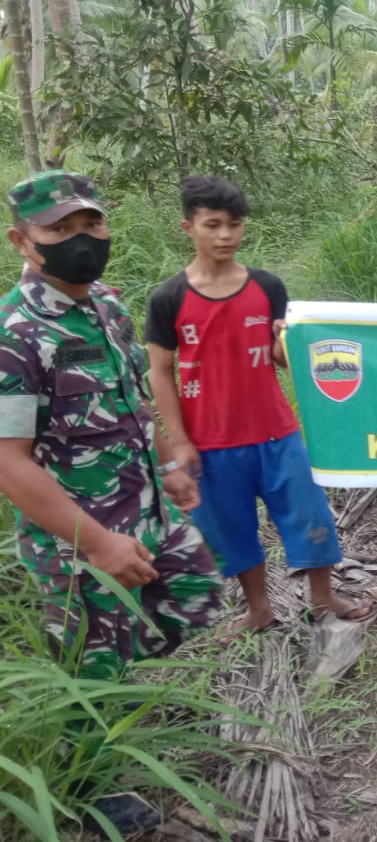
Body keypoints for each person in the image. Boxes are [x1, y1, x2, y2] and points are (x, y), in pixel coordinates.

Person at [0, 170, 221, 679]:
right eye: (59, 230)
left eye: (91, 224)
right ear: (22, 241)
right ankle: (97, 741)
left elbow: (132, 397)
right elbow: (8, 462)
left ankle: (129, 669)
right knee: (93, 680)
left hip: (144, 505)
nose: (81, 239)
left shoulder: (106, 304)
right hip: (78, 536)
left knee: (197, 592)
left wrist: (167, 463)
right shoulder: (17, 334)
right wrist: (99, 545)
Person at [145, 175, 372, 632]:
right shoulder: (168, 298)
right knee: (232, 530)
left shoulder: (267, 287)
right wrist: (179, 441)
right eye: (213, 225)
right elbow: (160, 371)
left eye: (234, 224)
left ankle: (323, 597)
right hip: (210, 442)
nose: (226, 235)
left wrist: (287, 343)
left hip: (276, 432)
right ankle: (259, 609)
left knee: (309, 513)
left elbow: (283, 360)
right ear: (188, 227)